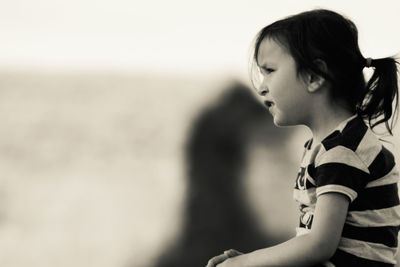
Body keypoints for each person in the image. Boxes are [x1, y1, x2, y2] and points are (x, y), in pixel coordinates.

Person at [206, 9, 400, 267]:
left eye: (270, 71)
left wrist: (246, 263)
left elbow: (319, 245)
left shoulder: (343, 151)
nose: (261, 86)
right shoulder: (328, 146)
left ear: (313, 76)